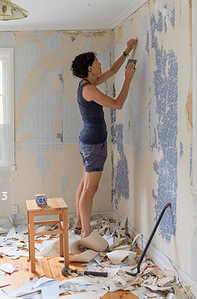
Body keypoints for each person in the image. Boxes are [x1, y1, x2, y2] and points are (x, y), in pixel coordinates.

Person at [71, 38, 138, 240]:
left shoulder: (87, 83)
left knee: (85, 184)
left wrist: (126, 52)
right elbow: (117, 104)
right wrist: (128, 79)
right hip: (93, 144)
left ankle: (78, 224)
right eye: (97, 61)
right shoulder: (89, 89)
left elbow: (111, 71)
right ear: (90, 68)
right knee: (90, 188)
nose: (100, 64)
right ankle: (86, 232)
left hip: (89, 141)